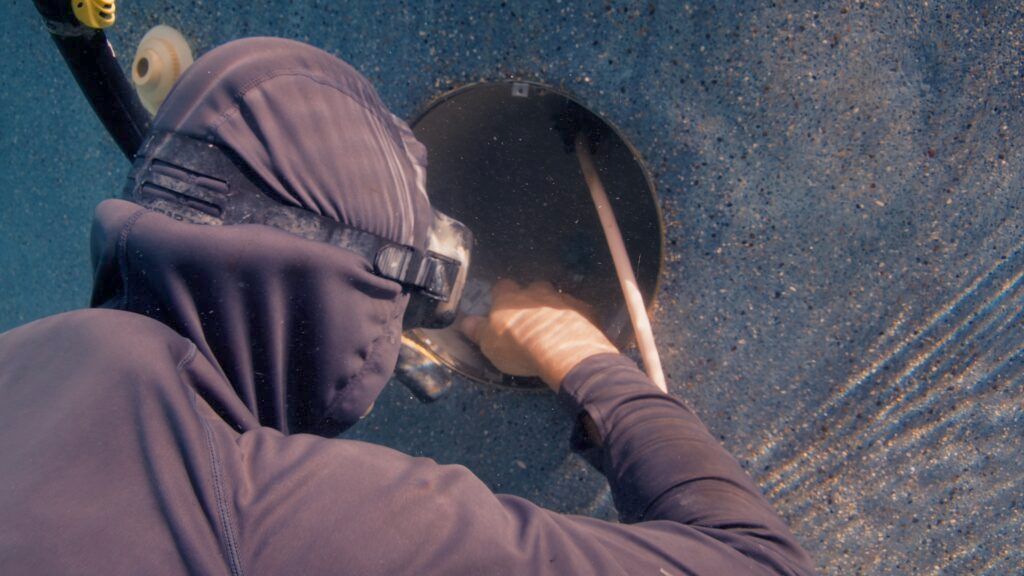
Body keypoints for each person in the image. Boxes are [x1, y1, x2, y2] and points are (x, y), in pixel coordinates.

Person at [0, 38, 815, 575]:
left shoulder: (26, 361)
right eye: (402, 298)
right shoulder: (265, 513)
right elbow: (756, 564)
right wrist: (585, 358)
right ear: (339, 291)